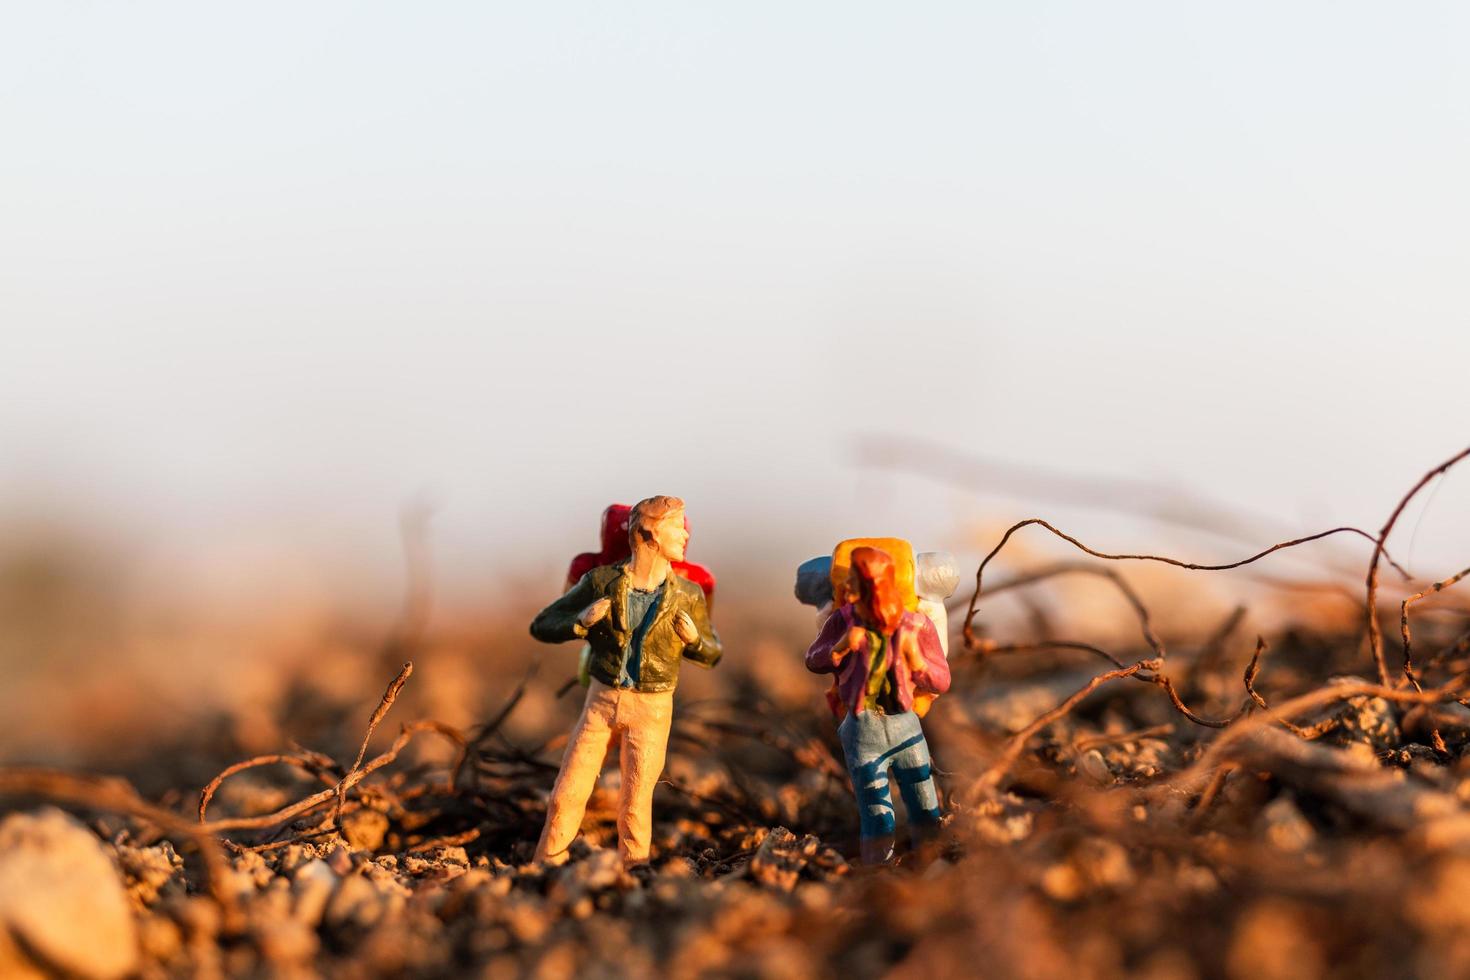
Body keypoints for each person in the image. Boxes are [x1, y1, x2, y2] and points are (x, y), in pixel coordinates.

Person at [529, 495, 722, 866]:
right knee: (566, 794)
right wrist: (580, 622)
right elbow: (543, 624)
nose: (685, 536)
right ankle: (546, 863)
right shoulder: (600, 581)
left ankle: (634, 871)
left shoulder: (687, 594)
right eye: (676, 528)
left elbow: (712, 652)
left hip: (652, 706)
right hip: (602, 700)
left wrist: (693, 640)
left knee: (635, 804)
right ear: (649, 534)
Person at [806, 546, 950, 864]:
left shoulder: (915, 626)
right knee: (876, 811)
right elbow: (814, 660)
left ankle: (932, 860)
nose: (848, 590)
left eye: (857, 582)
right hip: (863, 728)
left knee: (924, 801)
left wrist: (917, 662)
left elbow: (941, 680)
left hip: (905, 724)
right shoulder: (842, 622)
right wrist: (841, 648)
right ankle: (879, 871)